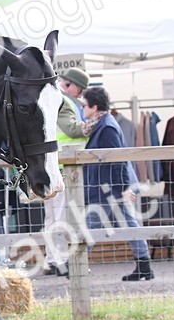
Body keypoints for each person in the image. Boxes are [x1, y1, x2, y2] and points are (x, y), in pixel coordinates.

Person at [80, 86, 154, 281]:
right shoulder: (102, 125)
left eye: (84, 105)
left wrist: (121, 189)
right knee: (126, 224)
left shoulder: (106, 127)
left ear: (94, 107)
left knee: (91, 227)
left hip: (109, 188)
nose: (82, 109)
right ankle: (144, 265)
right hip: (108, 186)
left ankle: (77, 267)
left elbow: (119, 160)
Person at [42, 66, 91, 276]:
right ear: (70, 85)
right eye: (79, 90)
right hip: (64, 166)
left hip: (52, 164)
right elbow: (72, 130)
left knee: (52, 217)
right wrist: (90, 125)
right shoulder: (63, 101)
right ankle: (59, 260)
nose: (80, 95)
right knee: (60, 216)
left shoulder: (59, 99)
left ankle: (51, 259)